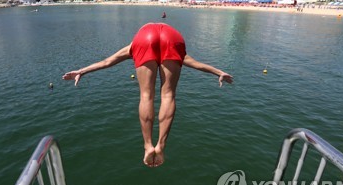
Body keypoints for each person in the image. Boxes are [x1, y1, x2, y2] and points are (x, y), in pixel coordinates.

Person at [62, 23, 233, 167]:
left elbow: (107, 62)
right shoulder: (176, 46)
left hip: (145, 37)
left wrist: (82, 71)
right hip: (173, 37)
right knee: (168, 96)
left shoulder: (132, 47)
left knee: (146, 96)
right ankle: (161, 145)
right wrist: (219, 72)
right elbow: (197, 64)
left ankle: (148, 146)